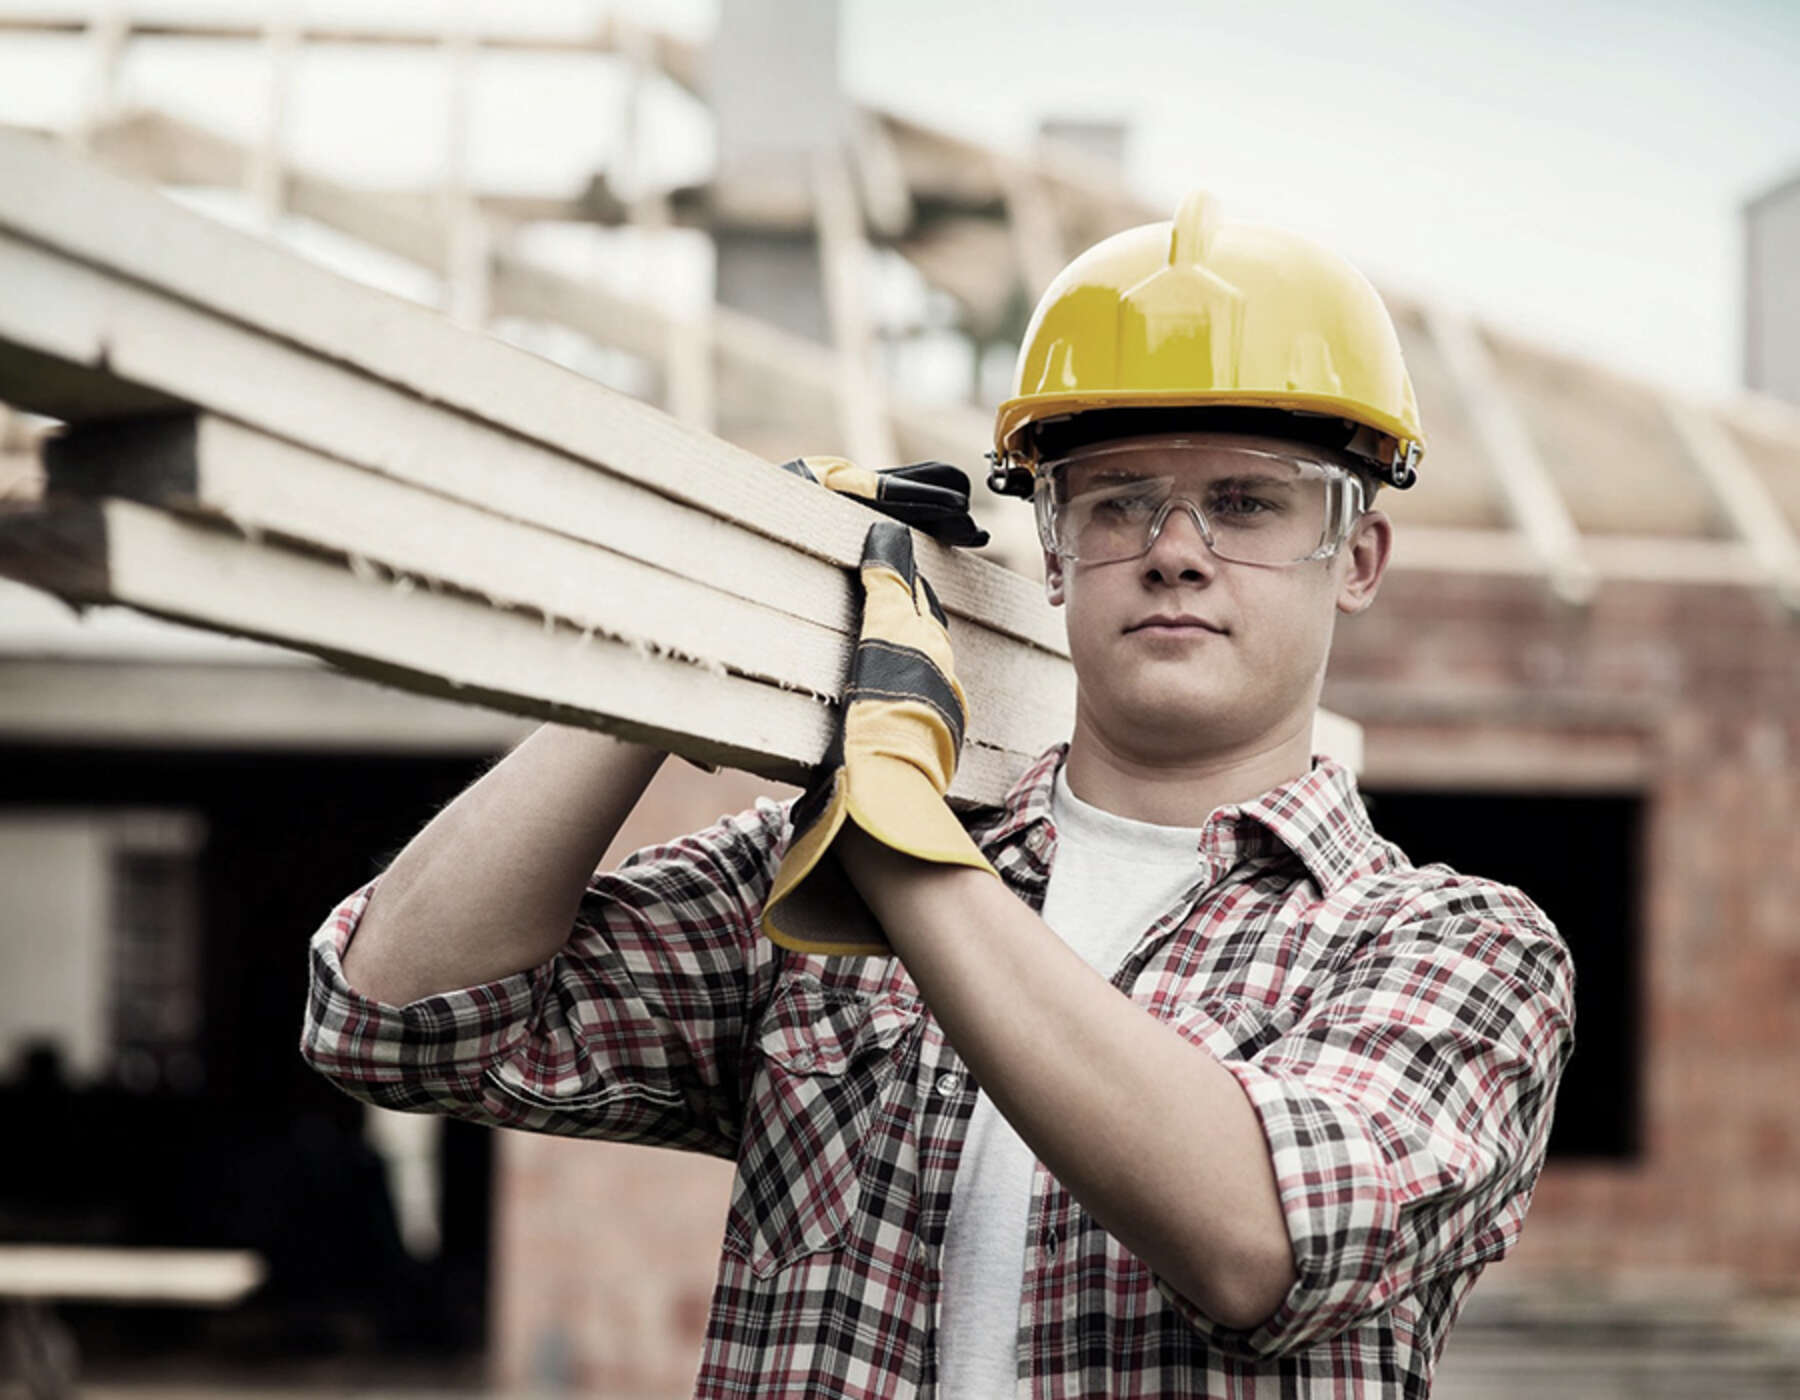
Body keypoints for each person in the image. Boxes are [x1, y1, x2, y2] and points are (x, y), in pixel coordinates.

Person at [301, 191, 1574, 1398]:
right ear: (1057, 549)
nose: (1176, 547)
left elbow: (1259, 1239)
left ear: (1356, 556)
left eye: (1244, 501)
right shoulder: (820, 870)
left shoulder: (1453, 947)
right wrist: (684, 650)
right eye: (1118, 499)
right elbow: (394, 1015)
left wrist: (894, 841)